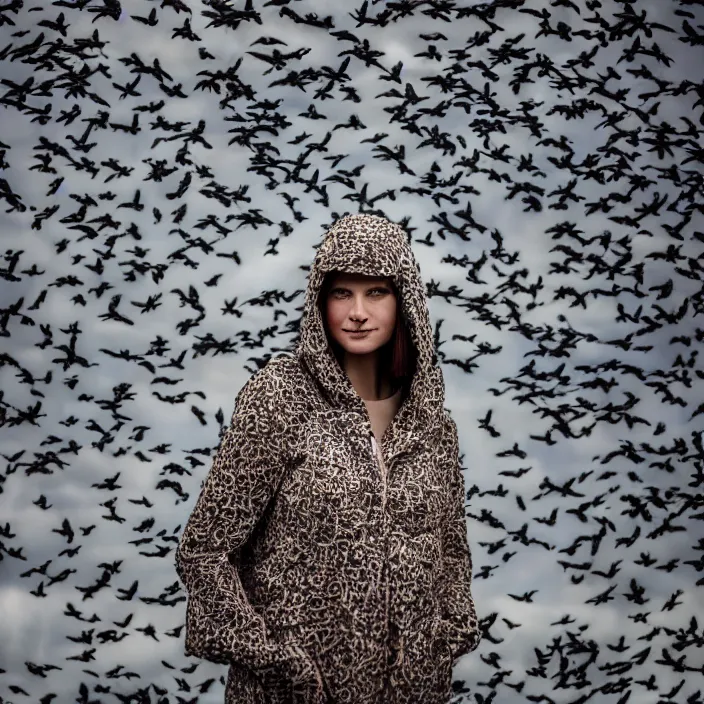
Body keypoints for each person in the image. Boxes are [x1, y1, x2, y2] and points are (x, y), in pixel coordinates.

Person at [174, 213, 481, 704]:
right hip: (292, 694)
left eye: (376, 292)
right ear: (321, 300)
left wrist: (445, 640)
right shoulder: (279, 398)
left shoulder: (433, 425)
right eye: (342, 293)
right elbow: (205, 551)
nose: (358, 311)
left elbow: (451, 555)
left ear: (405, 302)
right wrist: (275, 661)